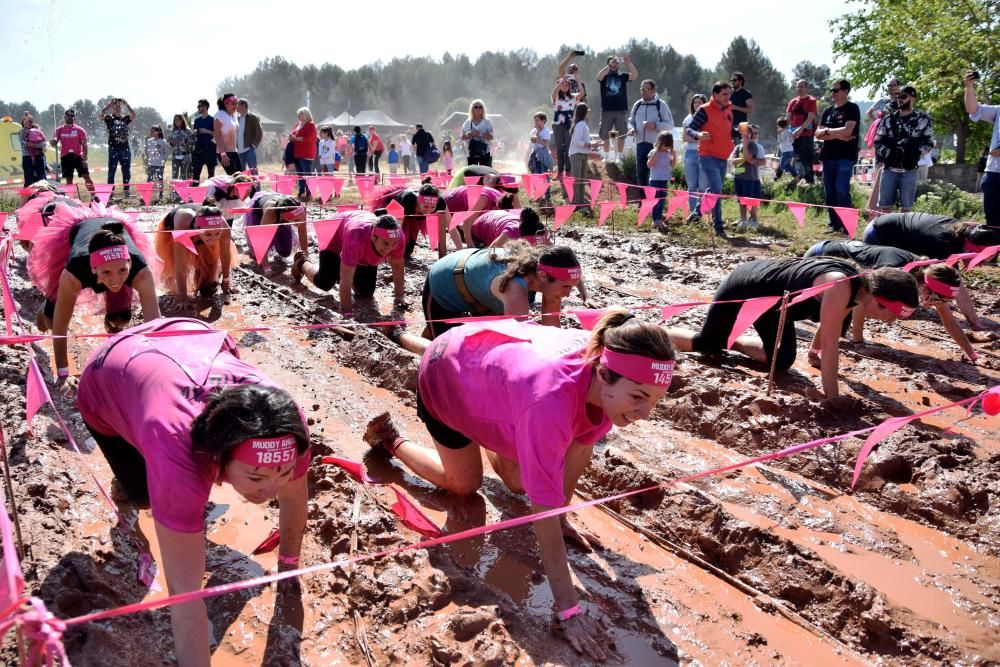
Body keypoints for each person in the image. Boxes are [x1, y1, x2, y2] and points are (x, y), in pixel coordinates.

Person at [364, 309, 675, 661]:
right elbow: (540, 511)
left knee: (517, 483)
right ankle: (390, 440)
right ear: (603, 374)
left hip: (500, 385)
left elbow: (581, 447)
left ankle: (499, 429)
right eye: (638, 397)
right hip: (446, 373)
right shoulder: (550, 402)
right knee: (463, 485)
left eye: (655, 399)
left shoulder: (604, 390)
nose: (646, 413)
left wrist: (562, 517)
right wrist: (569, 610)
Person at [75, 317, 311, 666]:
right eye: (257, 478)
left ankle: (181, 521)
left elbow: (294, 497)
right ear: (217, 458)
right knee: (143, 496)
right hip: (111, 372)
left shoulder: (286, 430)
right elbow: (185, 597)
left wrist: (289, 566)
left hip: (190, 336)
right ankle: (135, 492)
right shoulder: (179, 458)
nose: (273, 489)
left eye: (283, 472)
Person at [666, 257, 919, 400]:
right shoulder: (839, 287)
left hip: (777, 305)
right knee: (706, 344)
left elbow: (826, 334)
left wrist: (813, 352)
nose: (889, 322)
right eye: (891, 314)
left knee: (782, 360)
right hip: (747, 288)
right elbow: (832, 347)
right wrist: (833, 399)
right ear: (876, 297)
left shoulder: (858, 290)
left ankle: (732, 340)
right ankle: (644, 331)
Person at [26, 204, 161, 379]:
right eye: (106, 273)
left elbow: (155, 326)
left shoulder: (141, 272)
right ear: (93, 268)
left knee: (120, 319)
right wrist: (63, 372)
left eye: (122, 271)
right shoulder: (74, 272)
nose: (115, 280)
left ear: (129, 264)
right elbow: (60, 329)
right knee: (51, 322)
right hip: (76, 231)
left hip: (115, 230)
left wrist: (156, 367)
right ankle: (49, 305)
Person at [804, 240, 983, 359]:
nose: (937, 306)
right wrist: (859, 343)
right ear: (928, 287)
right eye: (938, 300)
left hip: (841, 261)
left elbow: (949, 322)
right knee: (839, 308)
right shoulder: (896, 274)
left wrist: (972, 355)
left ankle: (819, 346)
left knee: (842, 316)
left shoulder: (929, 277)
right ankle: (815, 349)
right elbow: (858, 303)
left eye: (944, 302)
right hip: (822, 255)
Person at [420, 242, 582, 338]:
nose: (567, 294)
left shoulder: (544, 277)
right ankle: (402, 335)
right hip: (445, 283)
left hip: (479, 289)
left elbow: (552, 333)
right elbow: (518, 341)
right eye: (565, 286)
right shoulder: (515, 289)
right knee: (441, 353)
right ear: (543, 276)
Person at [292, 210, 406, 318]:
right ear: (373, 236)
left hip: (357, 239)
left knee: (365, 293)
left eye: (393, 244)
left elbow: (397, 265)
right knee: (325, 282)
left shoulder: (397, 237)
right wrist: (347, 315)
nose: (389, 249)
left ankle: (339, 269)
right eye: (385, 243)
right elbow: (345, 281)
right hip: (333, 232)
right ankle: (301, 262)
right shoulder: (356, 238)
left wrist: (399, 298)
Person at [155, 204, 237, 299]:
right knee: (173, 274)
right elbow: (180, 265)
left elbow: (225, 256)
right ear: (196, 227)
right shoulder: (183, 225)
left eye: (217, 234)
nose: (213, 239)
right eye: (208, 234)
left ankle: (204, 283)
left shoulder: (224, 228)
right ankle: (179, 291)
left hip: (200, 235)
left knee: (207, 285)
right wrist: (183, 298)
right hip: (173, 230)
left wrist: (226, 280)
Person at [685, 82, 735, 236]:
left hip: (723, 156)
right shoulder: (704, 109)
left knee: (714, 189)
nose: (728, 97)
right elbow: (690, 128)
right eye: (725, 94)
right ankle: (718, 225)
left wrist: (738, 132)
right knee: (717, 190)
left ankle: (696, 213)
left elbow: (726, 130)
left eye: (729, 94)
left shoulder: (728, 110)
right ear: (715, 94)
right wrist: (698, 135)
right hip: (707, 155)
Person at [874, 86, 933, 213]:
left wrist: (916, 153)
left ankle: (902, 232)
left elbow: (929, 142)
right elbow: (877, 141)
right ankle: (886, 232)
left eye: (903, 97)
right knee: (885, 207)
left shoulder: (922, 119)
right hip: (889, 169)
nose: (899, 100)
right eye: (898, 97)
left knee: (906, 208)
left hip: (910, 170)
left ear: (912, 98)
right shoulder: (889, 119)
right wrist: (888, 153)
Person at [817, 79, 861, 234]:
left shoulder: (852, 108)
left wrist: (828, 131)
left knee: (841, 190)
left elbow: (848, 131)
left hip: (845, 157)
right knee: (830, 192)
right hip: (828, 156)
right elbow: (818, 134)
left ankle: (847, 225)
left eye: (835, 90)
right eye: (831, 90)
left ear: (845, 91)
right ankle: (834, 224)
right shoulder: (828, 110)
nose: (832, 93)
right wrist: (837, 133)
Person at [862, 211, 1000, 260]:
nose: (979, 265)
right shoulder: (943, 243)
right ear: (970, 248)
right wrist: (974, 320)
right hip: (876, 234)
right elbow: (950, 277)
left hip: (885, 224)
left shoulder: (960, 228)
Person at [370, 182, 451, 258]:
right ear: (418, 200)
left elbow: (452, 228)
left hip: (413, 218)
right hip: (396, 214)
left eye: (432, 207)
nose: (429, 210)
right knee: (393, 249)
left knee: (407, 252)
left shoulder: (440, 203)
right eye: (426, 206)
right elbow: (397, 229)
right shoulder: (407, 201)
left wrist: (461, 250)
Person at [965, 70, 1000, 228]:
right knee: (992, 224)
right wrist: (969, 86)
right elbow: (974, 110)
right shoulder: (998, 110)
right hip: (993, 173)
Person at [243, 192, 309, 272]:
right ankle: (253, 253)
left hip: (283, 212)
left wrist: (305, 259)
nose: (299, 223)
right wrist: (266, 268)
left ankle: (279, 248)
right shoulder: (270, 214)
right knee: (257, 254)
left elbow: (303, 234)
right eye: (296, 220)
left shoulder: (300, 209)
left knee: (285, 252)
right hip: (260, 211)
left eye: (301, 219)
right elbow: (261, 241)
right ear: (285, 217)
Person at [627, 80, 674, 188]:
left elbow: (670, 124)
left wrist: (655, 125)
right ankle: (643, 202)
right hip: (640, 145)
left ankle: (656, 202)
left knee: (655, 177)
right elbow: (631, 121)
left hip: (657, 147)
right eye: (641, 89)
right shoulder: (637, 104)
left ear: (653, 91)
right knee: (641, 175)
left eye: (646, 89)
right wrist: (632, 128)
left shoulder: (661, 105)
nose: (643, 92)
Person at [444, 184, 516, 247]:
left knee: (472, 226)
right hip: (449, 200)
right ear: (496, 207)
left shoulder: (504, 199)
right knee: (466, 229)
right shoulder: (484, 199)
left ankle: (461, 227)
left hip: (463, 204)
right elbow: (467, 221)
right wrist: (470, 244)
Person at [597, 55, 638, 161]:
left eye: (616, 63)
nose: (614, 65)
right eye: (612, 63)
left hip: (620, 110)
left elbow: (634, 75)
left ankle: (619, 155)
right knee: (605, 133)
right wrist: (610, 65)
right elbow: (599, 76)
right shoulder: (604, 76)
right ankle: (606, 156)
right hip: (607, 110)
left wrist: (628, 63)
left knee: (621, 133)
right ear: (608, 64)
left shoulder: (622, 75)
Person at [52, 108, 96, 198]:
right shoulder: (58, 130)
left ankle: (94, 197)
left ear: (74, 117)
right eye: (68, 115)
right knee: (69, 179)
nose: (70, 117)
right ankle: (71, 199)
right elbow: (53, 143)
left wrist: (85, 159)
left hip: (77, 156)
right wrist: (53, 141)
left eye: (72, 116)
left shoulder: (80, 130)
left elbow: (84, 145)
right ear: (65, 117)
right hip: (65, 157)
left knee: (86, 176)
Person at [99, 97, 137, 197]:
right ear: (112, 106)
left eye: (119, 105)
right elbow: (100, 115)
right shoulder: (109, 118)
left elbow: (134, 115)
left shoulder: (125, 118)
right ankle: (110, 193)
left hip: (125, 148)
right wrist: (108, 105)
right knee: (112, 171)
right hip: (113, 149)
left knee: (126, 171)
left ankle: (126, 192)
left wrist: (127, 103)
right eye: (115, 105)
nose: (117, 106)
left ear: (121, 106)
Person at [731, 124, 765, 229]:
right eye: (742, 133)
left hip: (750, 178)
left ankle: (754, 220)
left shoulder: (752, 146)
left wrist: (745, 145)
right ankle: (743, 219)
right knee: (741, 201)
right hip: (739, 177)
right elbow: (733, 161)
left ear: (750, 135)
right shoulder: (737, 147)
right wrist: (744, 159)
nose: (743, 135)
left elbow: (749, 158)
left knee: (749, 201)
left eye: (746, 133)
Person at [681, 94, 708, 221]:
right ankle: (693, 213)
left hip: (704, 154)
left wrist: (695, 137)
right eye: (695, 102)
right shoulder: (688, 119)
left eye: (699, 102)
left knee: (703, 186)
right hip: (690, 154)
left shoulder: (708, 118)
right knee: (692, 186)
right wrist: (699, 137)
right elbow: (685, 138)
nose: (697, 104)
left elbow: (708, 137)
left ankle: (700, 213)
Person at [786, 80, 818, 185]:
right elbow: (788, 117)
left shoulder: (811, 100)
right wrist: (784, 130)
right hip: (793, 134)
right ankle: (796, 178)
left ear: (807, 88)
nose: (799, 88)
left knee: (806, 157)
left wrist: (800, 129)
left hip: (806, 134)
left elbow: (810, 118)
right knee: (794, 156)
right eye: (798, 86)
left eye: (802, 86)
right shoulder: (792, 102)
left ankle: (809, 180)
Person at [465, 208, 549, 248]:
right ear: (521, 236)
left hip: (499, 217)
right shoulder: (511, 232)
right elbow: (491, 250)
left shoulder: (541, 230)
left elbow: (549, 246)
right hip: (481, 226)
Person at [568, 104, 597, 211]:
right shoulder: (580, 125)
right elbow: (577, 142)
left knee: (582, 180)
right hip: (576, 154)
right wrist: (590, 145)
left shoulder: (583, 124)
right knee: (577, 180)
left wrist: (594, 144)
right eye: (587, 111)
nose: (588, 113)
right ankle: (575, 203)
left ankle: (580, 202)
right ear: (584, 112)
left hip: (583, 154)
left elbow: (584, 141)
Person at [646, 131, 676, 229]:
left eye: (668, 146)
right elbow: (649, 165)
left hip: (664, 180)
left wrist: (674, 156)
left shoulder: (668, 153)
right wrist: (656, 153)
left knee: (662, 201)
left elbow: (672, 166)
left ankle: (659, 219)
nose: (666, 148)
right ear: (659, 144)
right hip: (655, 180)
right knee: (656, 201)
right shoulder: (653, 152)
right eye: (664, 146)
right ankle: (655, 220)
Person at [551, 78, 579, 179]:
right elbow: (553, 93)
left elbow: (583, 93)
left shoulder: (573, 97)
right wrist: (560, 82)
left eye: (567, 84)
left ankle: (568, 172)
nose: (565, 86)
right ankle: (559, 172)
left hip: (568, 125)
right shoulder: (556, 97)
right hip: (557, 125)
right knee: (559, 149)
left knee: (568, 148)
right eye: (563, 84)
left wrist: (578, 80)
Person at [289, 108, 317, 199]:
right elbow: (293, 134)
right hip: (296, 153)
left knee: (307, 174)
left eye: (300, 115)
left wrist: (295, 138)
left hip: (306, 154)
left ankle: (309, 192)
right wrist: (291, 137)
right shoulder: (298, 124)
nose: (298, 117)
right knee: (300, 174)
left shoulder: (311, 126)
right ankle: (301, 192)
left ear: (305, 115)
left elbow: (308, 139)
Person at [527, 112, 554, 202]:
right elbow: (533, 139)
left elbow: (545, 143)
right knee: (536, 175)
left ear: (543, 121)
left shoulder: (546, 131)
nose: (536, 122)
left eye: (538, 120)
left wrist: (538, 138)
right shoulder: (533, 131)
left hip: (543, 155)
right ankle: (538, 194)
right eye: (535, 120)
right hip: (535, 154)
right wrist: (538, 133)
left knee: (544, 175)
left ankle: (547, 195)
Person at [214, 93, 242, 175]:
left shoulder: (234, 115)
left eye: (236, 103)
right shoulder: (220, 115)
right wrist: (223, 153)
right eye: (233, 104)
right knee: (234, 177)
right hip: (224, 152)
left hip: (234, 151)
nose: (236, 106)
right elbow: (217, 135)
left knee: (240, 176)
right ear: (226, 104)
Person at [462, 100, 495, 168]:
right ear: (472, 109)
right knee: (472, 175)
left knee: (486, 174)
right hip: (471, 153)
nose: (478, 109)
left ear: (483, 109)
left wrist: (480, 134)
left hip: (485, 152)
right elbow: (462, 137)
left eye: (480, 107)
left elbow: (491, 136)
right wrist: (469, 134)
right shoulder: (467, 123)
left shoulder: (487, 122)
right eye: (476, 107)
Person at [191, 99, 217, 182]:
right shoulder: (197, 120)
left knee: (211, 174)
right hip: (198, 148)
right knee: (195, 174)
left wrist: (206, 131)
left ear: (205, 107)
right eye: (197, 106)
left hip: (210, 148)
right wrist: (194, 132)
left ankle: (211, 193)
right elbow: (194, 134)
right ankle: (194, 193)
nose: (198, 108)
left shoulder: (213, 120)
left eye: (199, 106)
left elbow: (217, 135)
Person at [236, 98, 263, 175]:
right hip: (239, 150)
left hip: (249, 149)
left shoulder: (253, 117)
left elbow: (259, 132)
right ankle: (244, 187)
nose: (236, 107)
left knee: (253, 171)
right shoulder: (236, 118)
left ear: (244, 105)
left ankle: (257, 187)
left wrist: (253, 146)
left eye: (238, 104)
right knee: (241, 173)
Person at [19, 115, 48, 185]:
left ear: (32, 122)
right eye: (25, 121)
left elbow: (44, 142)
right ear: (23, 122)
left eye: (30, 121)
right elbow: (23, 142)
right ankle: (29, 195)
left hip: (39, 156)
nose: (28, 123)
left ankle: (43, 194)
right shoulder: (21, 132)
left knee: (41, 178)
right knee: (29, 179)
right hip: (27, 157)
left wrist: (35, 145)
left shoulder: (37, 130)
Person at [145, 125, 170, 203]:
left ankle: (161, 194)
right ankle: (147, 194)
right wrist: (149, 158)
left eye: (153, 131)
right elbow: (147, 150)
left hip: (159, 164)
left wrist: (163, 160)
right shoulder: (149, 141)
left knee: (160, 179)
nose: (151, 132)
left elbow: (166, 152)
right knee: (150, 179)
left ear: (158, 132)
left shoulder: (163, 141)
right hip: (151, 163)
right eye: (151, 131)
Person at [168, 114, 195, 186]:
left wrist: (185, 142)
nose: (177, 121)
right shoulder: (172, 131)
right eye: (175, 120)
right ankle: (175, 194)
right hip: (175, 156)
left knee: (183, 176)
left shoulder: (187, 130)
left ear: (182, 120)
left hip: (185, 156)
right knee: (174, 176)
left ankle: (184, 193)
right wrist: (171, 142)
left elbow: (193, 141)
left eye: (178, 119)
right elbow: (169, 141)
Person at [729, 72, 755, 142]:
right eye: (731, 80)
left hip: (742, 124)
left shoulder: (746, 94)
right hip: (729, 124)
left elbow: (751, 109)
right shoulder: (729, 93)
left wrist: (735, 107)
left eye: (734, 80)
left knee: (742, 148)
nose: (732, 82)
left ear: (741, 81)